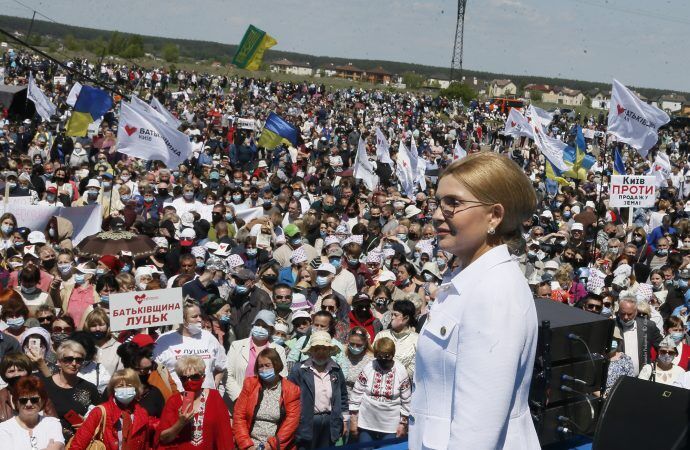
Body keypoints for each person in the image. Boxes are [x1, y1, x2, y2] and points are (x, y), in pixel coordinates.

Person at [410, 153, 540, 449]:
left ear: (494, 215)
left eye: (453, 203)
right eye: (438, 202)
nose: (437, 213)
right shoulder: (468, 277)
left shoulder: (493, 292)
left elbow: (477, 434)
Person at [156, 355, 234, 450]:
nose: (189, 381)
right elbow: (163, 439)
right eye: (184, 378)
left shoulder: (214, 397)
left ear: (203, 377)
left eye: (195, 377)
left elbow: (225, 436)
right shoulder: (173, 401)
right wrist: (180, 423)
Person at [288, 331, 348, 450]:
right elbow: (289, 398)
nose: (321, 353)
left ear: (329, 351)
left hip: (330, 422)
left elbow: (343, 396)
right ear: (311, 351)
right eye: (317, 349)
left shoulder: (336, 370)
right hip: (306, 422)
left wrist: (345, 420)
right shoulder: (299, 370)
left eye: (324, 349)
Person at [233, 348, 301, 450]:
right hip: (250, 443)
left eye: (267, 365)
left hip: (275, 446)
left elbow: (291, 423)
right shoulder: (250, 384)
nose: (264, 369)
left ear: (276, 365)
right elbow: (239, 416)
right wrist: (247, 444)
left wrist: (271, 446)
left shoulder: (291, 389)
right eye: (260, 366)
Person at [69, 369, 153, 450]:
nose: (125, 389)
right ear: (113, 389)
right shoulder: (100, 411)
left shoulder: (142, 413)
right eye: (120, 386)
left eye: (129, 386)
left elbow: (145, 445)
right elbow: (79, 443)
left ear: (136, 388)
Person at [349, 337, 411, 446]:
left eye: (387, 356)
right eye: (379, 356)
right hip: (366, 422)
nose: (383, 359)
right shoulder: (369, 367)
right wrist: (354, 420)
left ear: (392, 354)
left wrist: (403, 424)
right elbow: (357, 393)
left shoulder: (401, 371)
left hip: (390, 425)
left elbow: (407, 400)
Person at [154, 300, 227, 391]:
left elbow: (221, 366)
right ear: (182, 319)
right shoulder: (164, 340)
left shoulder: (209, 337)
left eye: (200, 315)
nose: (199, 319)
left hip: (206, 399)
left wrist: (213, 386)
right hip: (177, 398)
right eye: (194, 316)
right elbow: (155, 372)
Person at [225, 310, 288, 402]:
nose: (260, 328)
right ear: (252, 325)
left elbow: (282, 377)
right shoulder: (237, 346)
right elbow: (227, 374)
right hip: (238, 401)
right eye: (258, 324)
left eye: (265, 326)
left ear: (271, 330)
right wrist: (239, 398)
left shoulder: (279, 350)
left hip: (266, 404)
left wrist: (267, 401)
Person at [43, 340, 101, 440]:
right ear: (59, 361)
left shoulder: (90, 388)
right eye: (68, 359)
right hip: (49, 441)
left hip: (80, 442)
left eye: (79, 360)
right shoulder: (43, 386)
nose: (74, 363)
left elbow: (100, 417)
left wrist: (88, 424)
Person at [0, 375, 64, 450]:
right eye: (23, 400)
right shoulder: (4, 428)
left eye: (34, 400)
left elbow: (58, 447)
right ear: (16, 403)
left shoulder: (53, 423)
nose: (29, 404)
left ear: (42, 401)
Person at [614, 294, 663, 376]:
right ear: (618, 311)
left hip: (642, 377)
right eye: (622, 313)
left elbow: (661, 345)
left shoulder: (648, 326)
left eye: (629, 314)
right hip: (617, 377)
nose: (626, 317)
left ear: (636, 311)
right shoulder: (611, 325)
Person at [373, 299, 419, 379]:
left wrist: (396, 380)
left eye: (396, 315)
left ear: (406, 318)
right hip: (378, 379)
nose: (392, 317)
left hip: (403, 383)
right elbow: (372, 357)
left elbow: (414, 366)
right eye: (392, 315)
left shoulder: (416, 340)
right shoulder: (382, 335)